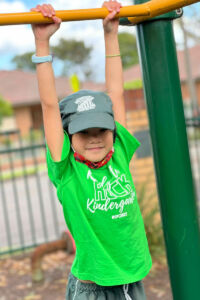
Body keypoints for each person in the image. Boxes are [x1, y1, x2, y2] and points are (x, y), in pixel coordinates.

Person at [31, 1, 152, 299]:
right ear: (69, 136)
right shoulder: (67, 170)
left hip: (132, 277)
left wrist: (110, 33)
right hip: (94, 286)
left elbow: (116, 94)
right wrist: (42, 42)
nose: (95, 138)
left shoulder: (119, 151)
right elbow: (49, 107)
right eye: (84, 133)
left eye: (101, 130)